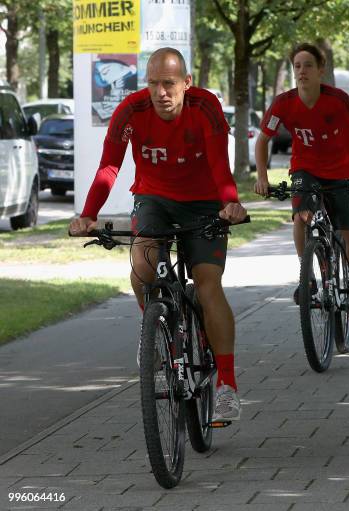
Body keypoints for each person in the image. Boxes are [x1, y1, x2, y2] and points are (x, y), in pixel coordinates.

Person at [68, 47, 246, 422]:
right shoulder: (131, 111)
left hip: (203, 202)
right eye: (153, 84)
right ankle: (156, 334)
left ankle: (226, 384)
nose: (161, 92)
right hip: (154, 199)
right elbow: (109, 167)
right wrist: (87, 214)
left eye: (168, 83)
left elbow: (219, 164)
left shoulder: (206, 107)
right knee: (142, 266)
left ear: (186, 83)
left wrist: (230, 203)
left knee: (208, 282)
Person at [253, 43, 349, 320]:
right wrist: (262, 176)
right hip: (306, 170)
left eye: (308, 65)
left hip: (343, 171)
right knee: (301, 217)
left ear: (321, 70)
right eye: (297, 66)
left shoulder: (338, 99)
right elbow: (263, 139)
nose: (302, 71)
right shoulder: (283, 103)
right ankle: (307, 276)